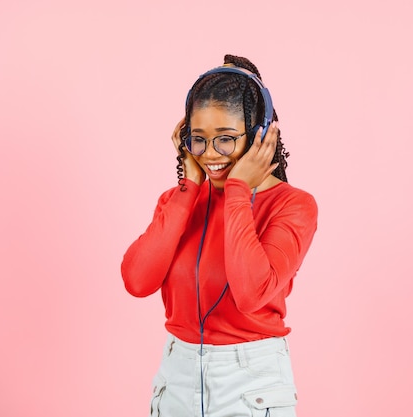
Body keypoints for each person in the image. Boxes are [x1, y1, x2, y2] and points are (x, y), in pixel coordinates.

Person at [121, 54, 318, 417]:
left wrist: (239, 189)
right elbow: (137, 280)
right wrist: (187, 190)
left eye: (225, 139)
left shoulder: (294, 206)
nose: (211, 155)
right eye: (199, 139)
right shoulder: (179, 201)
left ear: (261, 134)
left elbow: (251, 292)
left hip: (251, 382)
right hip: (176, 375)